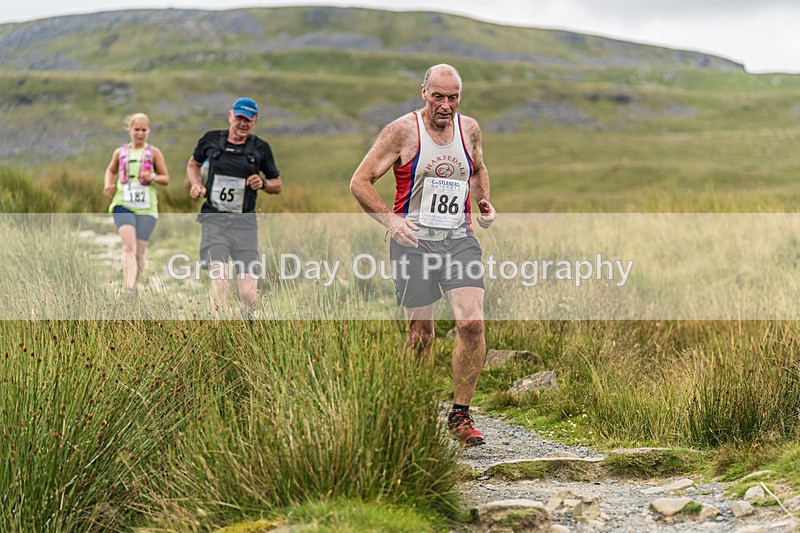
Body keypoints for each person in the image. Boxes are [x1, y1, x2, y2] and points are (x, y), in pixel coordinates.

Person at [350, 64, 496, 446]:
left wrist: (483, 201)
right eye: (438, 96)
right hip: (413, 241)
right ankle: (410, 413)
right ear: (423, 92)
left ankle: (460, 416)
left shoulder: (470, 129)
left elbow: (478, 168)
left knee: (472, 323)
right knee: (421, 335)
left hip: (458, 238)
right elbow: (359, 182)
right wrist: (393, 224)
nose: (446, 105)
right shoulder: (402, 131)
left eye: (453, 97)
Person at [185, 97, 282, 318]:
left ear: (255, 120)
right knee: (220, 280)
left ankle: (248, 329)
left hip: (245, 224)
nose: (242, 124)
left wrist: (264, 183)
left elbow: (277, 184)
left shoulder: (261, 148)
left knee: (248, 293)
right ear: (230, 115)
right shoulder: (210, 140)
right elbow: (193, 164)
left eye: (248, 120)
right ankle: (213, 332)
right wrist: (196, 184)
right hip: (214, 220)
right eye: (239, 118)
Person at [103, 113, 170, 294]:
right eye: (136, 130)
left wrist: (153, 176)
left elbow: (166, 178)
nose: (140, 133)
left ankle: (133, 286)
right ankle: (129, 289)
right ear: (129, 130)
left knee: (139, 253)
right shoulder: (120, 152)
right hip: (123, 203)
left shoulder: (154, 153)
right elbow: (110, 170)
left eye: (143, 130)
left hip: (147, 207)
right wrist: (108, 184)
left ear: (148, 131)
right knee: (128, 246)